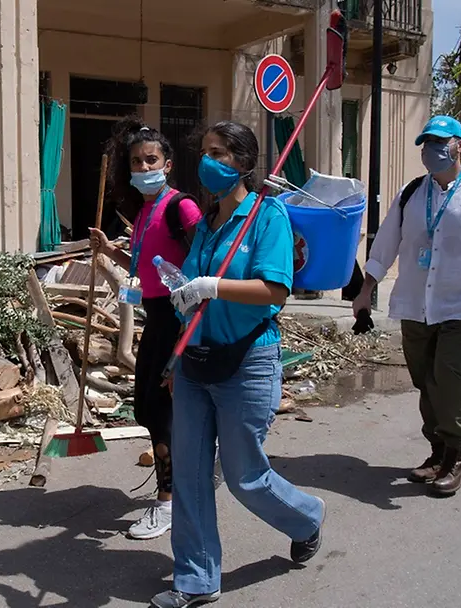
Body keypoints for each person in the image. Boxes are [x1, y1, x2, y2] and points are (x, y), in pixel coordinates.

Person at [150, 121, 325, 608]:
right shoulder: (205, 225)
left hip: (248, 361)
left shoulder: (267, 217)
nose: (210, 161)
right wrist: (183, 307)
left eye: (221, 152)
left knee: (245, 475)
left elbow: (275, 291)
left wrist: (212, 286)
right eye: (206, 151)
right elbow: (194, 297)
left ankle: (306, 517)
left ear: (244, 163)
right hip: (194, 363)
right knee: (188, 474)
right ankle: (196, 579)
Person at [352, 115, 461, 497]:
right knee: (424, 380)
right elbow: (386, 243)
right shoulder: (413, 191)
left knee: (448, 376)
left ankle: (456, 455)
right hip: (417, 305)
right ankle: (437, 450)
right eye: (426, 143)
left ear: (460, 145)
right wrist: (366, 289)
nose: (431, 150)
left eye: (439, 142)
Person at [88, 117, 203, 541]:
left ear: (168, 164)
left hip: (177, 319)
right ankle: (183, 486)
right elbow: (145, 271)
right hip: (154, 316)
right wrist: (109, 252)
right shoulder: (144, 213)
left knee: (159, 410)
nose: (143, 167)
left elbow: (204, 260)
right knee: (150, 409)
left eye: (150, 159)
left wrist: (190, 320)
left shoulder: (180, 207)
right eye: (136, 162)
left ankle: (168, 502)